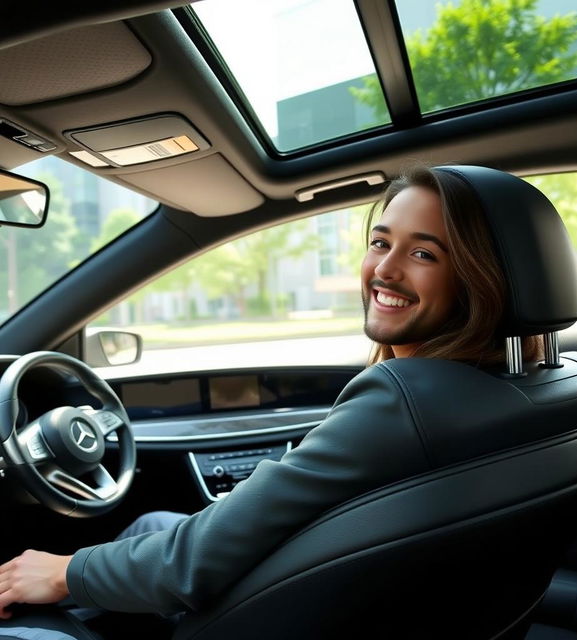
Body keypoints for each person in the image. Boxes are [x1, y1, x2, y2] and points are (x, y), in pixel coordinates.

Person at [0, 165, 541, 626]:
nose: (384, 269)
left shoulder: (404, 399)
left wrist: (62, 571)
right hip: (387, 603)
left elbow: (191, 563)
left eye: (423, 254)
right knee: (153, 525)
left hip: (298, 615)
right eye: (380, 242)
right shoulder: (553, 388)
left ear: (478, 277)